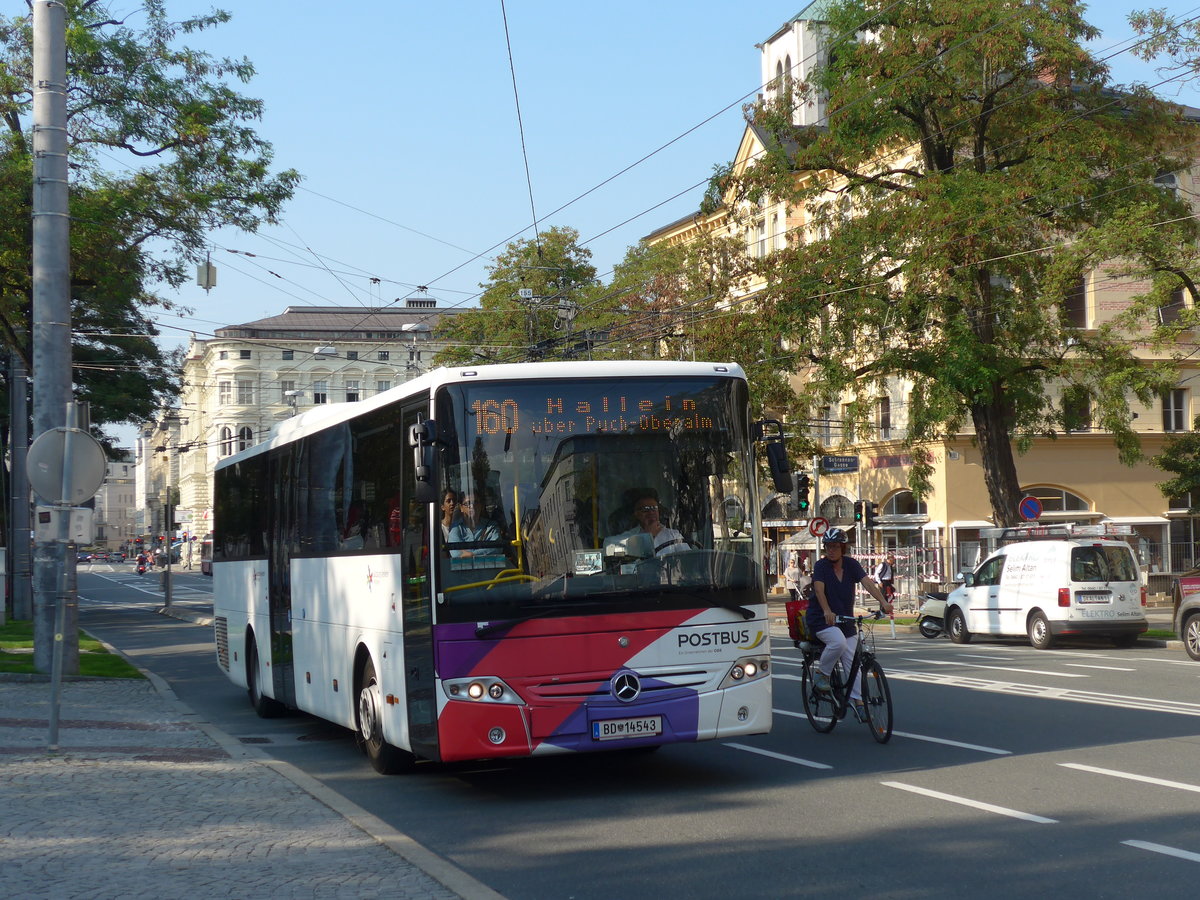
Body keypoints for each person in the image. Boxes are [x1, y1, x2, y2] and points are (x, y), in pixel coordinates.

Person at [806, 528, 893, 719]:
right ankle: (822, 674)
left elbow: (868, 584)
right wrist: (827, 610)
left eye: (835, 546)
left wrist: (883, 602)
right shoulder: (821, 566)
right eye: (828, 546)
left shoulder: (851, 565)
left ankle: (858, 702)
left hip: (845, 620)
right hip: (822, 620)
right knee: (838, 643)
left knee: (852, 663)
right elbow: (819, 591)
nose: (831, 550)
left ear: (843, 547)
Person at [616, 492, 690, 557]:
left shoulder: (673, 535)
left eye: (654, 508)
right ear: (636, 513)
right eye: (645, 509)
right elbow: (629, 565)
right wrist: (650, 535)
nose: (651, 512)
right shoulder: (627, 537)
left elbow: (688, 560)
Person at [448, 492, 501, 558]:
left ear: (480, 505)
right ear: (461, 508)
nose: (472, 506)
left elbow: (497, 548)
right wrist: (482, 554)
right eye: (467, 504)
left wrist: (472, 555)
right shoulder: (456, 527)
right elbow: (455, 552)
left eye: (475, 502)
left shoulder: (491, 526)